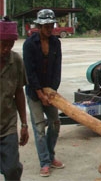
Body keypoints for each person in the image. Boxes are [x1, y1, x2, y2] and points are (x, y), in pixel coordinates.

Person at [23, 9, 65, 177]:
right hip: (34, 92)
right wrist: (40, 94)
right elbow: (29, 72)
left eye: (51, 26)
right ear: (39, 26)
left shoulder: (56, 43)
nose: (49, 29)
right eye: (46, 26)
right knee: (40, 128)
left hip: (50, 91)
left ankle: (50, 155)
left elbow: (57, 70)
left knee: (55, 124)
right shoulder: (29, 44)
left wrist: (52, 92)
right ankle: (45, 162)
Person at [0, 17, 29, 181]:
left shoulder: (16, 61)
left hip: (7, 127)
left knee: (11, 170)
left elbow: (19, 93)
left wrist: (24, 124)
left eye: (10, 44)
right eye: (3, 44)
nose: (6, 49)